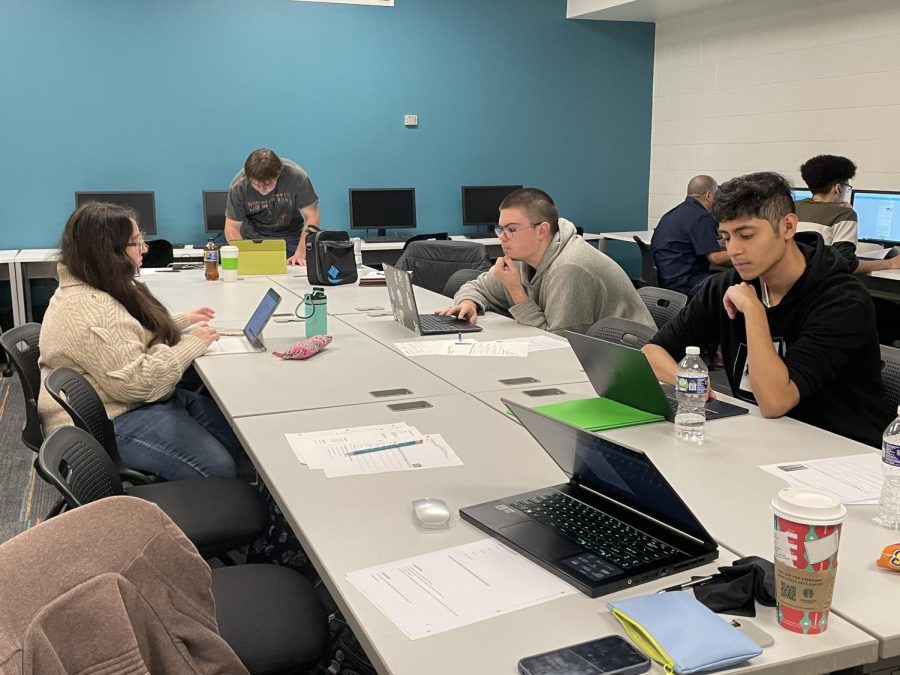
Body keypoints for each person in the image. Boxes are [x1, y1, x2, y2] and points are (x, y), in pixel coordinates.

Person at [643, 171, 890, 448]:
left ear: (787, 227)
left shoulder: (842, 300)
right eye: (725, 238)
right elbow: (652, 352)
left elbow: (775, 401)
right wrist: (686, 381)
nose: (734, 250)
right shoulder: (726, 285)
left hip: (842, 450)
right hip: (763, 438)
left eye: (746, 235)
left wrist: (754, 310)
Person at [38, 201, 247, 480]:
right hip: (106, 421)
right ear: (110, 252)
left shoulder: (94, 285)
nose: (145, 250)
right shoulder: (93, 310)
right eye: (136, 243)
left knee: (236, 435)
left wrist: (180, 321)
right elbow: (140, 383)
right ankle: (197, 511)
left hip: (119, 402)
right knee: (217, 468)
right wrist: (190, 344)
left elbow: (128, 333)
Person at [438, 188, 654, 335]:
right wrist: (468, 303)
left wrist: (516, 291)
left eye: (511, 229)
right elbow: (476, 286)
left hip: (630, 366)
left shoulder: (570, 268)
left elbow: (557, 343)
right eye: (500, 229)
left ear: (542, 230)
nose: (502, 237)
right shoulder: (523, 257)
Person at [795, 154, 900, 275]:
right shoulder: (844, 214)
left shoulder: (791, 207)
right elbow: (847, 264)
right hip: (820, 288)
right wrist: (891, 263)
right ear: (838, 188)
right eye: (847, 187)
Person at [224, 148, 320, 266]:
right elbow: (231, 227)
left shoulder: (296, 177)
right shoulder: (239, 185)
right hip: (254, 243)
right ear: (249, 179)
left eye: (269, 184)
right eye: (256, 184)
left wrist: (300, 254)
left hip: (293, 242)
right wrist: (245, 256)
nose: (263, 190)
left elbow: (312, 216)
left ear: (279, 173)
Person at [650, 175, 732, 296]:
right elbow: (716, 258)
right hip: (686, 283)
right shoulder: (700, 216)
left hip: (667, 280)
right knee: (737, 283)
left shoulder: (676, 212)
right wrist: (746, 253)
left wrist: (717, 244)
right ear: (709, 196)